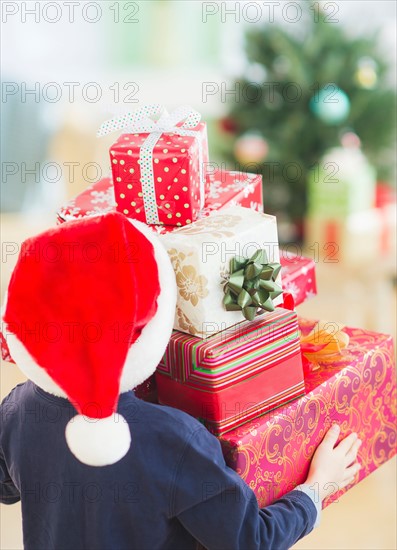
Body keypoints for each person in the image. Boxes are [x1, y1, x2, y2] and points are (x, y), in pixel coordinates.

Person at [0, 212, 361, 549]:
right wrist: (315, 490)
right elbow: (250, 539)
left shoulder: (18, 411)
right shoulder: (176, 440)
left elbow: (7, 488)